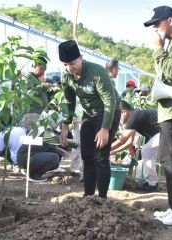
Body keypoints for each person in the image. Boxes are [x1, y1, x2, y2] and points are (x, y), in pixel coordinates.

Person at [59, 40, 120, 199]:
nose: (69, 68)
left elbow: (110, 101)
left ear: (81, 58)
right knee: (86, 155)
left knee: (101, 155)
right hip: (89, 114)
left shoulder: (97, 72)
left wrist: (105, 129)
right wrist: (65, 125)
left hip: (108, 112)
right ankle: (88, 196)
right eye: (65, 64)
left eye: (72, 63)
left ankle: (102, 199)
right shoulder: (67, 78)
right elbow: (69, 102)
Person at [144, 5, 172, 225]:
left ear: (169, 21)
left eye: (157, 24)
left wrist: (158, 48)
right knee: (168, 160)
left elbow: (171, 73)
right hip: (169, 112)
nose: (156, 29)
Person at [110, 101, 159, 192]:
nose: (117, 119)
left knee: (147, 151)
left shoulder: (134, 116)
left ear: (124, 112)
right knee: (148, 152)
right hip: (162, 133)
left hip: (166, 131)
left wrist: (106, 150)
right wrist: (112, 152)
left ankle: (152, 184)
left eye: (117, 115)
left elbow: (122, 140)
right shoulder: (134, 116)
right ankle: (151, 183)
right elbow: (128, 143)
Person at [21, 56, 51, 132]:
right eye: (41, 69)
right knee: (32, 140)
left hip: (38, 114)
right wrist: (43, 85)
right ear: (34, 65)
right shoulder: (27, 77)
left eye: (44, 70)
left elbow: (39, 93)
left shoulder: (36, 78)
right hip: (32, 114)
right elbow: (28, 93)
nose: (43, 72)